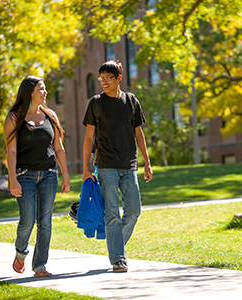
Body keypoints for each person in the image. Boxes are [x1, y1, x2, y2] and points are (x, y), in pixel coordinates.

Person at [82, 60, 153, 272]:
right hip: (106, 165)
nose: (103, 82)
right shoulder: (96, 103)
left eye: (108, 78)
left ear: (118, 78)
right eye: (101, 78)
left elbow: (139, 134)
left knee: (134, 212)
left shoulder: (131, 101)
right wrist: (86, 168)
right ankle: (118, 259)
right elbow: (88, 138)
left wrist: (147, 163)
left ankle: (116, 247)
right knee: (112, 213)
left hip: (129, 164)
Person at [3, 75, 71, 277]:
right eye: (41, 89)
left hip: (49, 175)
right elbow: (11, 150)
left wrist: (65, 175)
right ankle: (20, 253)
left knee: (45, 222)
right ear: (29, 92)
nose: (45, 92)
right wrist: (12, 178)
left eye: (45, 89)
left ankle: (40, 266)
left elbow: (59, 148)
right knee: (28, 220)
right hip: (25, 175)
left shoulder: (50, 115)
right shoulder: (14, 118)